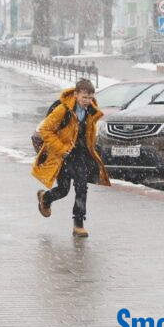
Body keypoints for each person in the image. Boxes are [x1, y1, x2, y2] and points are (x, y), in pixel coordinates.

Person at [33, 78, 111, 238]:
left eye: (90, 98)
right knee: (63, 190)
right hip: (63, 155)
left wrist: (92, 150)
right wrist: (61, 149)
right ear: (76, 94)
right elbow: (45, 130)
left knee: (82, 187)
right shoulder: (63, 109)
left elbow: (89, 132)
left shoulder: (91, 111)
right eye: (84, 97)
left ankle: (78, 224)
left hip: (80, 154)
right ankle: (45, 198)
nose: (87, 101)